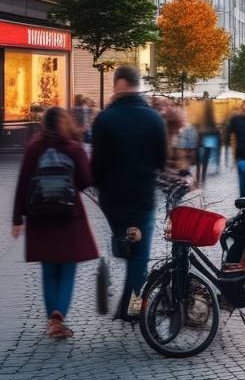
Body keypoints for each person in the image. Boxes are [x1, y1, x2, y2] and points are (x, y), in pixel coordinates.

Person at [11, 108, 98, 338]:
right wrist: (69, 188)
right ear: (65, 123)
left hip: (40, 216)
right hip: (69, 215)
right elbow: (87, 179)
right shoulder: (73, 147)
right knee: (68, 268)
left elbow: (23, 182)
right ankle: (59, 316)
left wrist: (17, 218)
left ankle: (53, 319)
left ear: (43, 124)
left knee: (49, 270)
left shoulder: (34, 148)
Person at [91, 65, 167, 321]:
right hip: (142, 198)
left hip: (113, 200)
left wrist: (99, 185)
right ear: (137, 85)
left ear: (117, 85)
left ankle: (123, 249)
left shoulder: (104, 119)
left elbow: (96, 164)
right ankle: (132, 309)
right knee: (140, 258)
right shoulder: (154, 118)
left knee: (126, 245)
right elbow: (162, 160)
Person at [197, 101, 221, 187]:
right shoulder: (212, 114)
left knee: (201, 157)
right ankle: (202, 178)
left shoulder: (200, 113)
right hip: (209, 136)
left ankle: (200, 177)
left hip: (202, 135)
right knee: (206, 157)